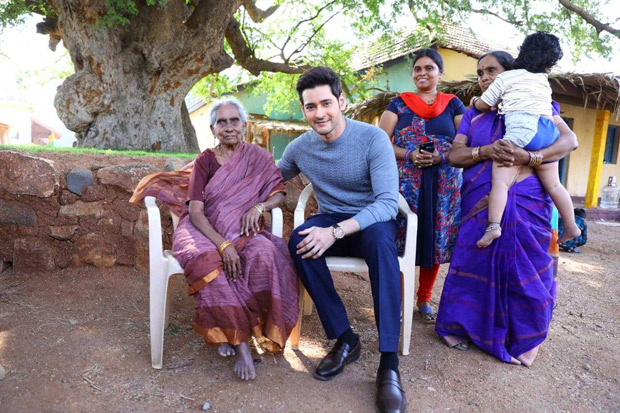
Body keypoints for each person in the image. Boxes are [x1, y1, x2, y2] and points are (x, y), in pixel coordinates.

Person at [131, 98, 299, 381]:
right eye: (222, 122)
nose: (229, 127)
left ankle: (235, 328)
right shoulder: (205, 161)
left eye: (235, 121)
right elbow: (195, 211)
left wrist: (259, 207)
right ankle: (240, 342)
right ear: (213, 128)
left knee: (264, 253)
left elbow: (278, 193)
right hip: (202, 228)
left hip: (243, 229)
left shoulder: (258, 158)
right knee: (207, 259)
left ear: (244, 125)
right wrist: (223, 244)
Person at [435, 51, 579, 367]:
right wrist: (485, 150)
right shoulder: (475, 114)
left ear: (510, 73)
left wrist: (531, 158)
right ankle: (460, 327)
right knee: (473, 264)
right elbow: (455, 155)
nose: (485, 77)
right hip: (480, 203)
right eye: (480, 72)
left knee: (528, 270)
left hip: (530, 204)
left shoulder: (542, 105)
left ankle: (526, 340)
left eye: (492, 70)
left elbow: (570, 142)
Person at [279, 67, 406, 413]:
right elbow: (271, 178)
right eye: (310, 107)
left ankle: (389, 364)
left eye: (326, 103)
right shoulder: (299, 148)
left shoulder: (372, 138)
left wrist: (335, 231)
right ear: (303, 110)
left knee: (381, 243)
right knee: (299, 242)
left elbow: (386, 203)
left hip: (371, 221)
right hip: (332, 218)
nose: (319, 113)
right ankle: (346, 338)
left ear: (342, 102)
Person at [379, 48, 465, 324]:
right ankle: (400, 298)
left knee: (436, 237)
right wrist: (410, 154)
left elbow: (465, 142)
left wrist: (441, 156)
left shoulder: (454, 105)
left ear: (440, 73)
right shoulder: (398, 104)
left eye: (429, 68)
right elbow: (381, 144)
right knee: (402, 237)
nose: (422, 73)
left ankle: (424, 298)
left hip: (444, 184)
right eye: (417, 69)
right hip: (407, 184)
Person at [472, 32, 580, 248]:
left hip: (522, 130)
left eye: (489, 70)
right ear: (548, 64)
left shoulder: (507, 78)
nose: (485, 76)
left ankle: (493, 225)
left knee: (500, 182)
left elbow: (485, 104)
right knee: (555, 184)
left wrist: (475, 101)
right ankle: (571, 225)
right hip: (548, 131)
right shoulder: (543, 80)